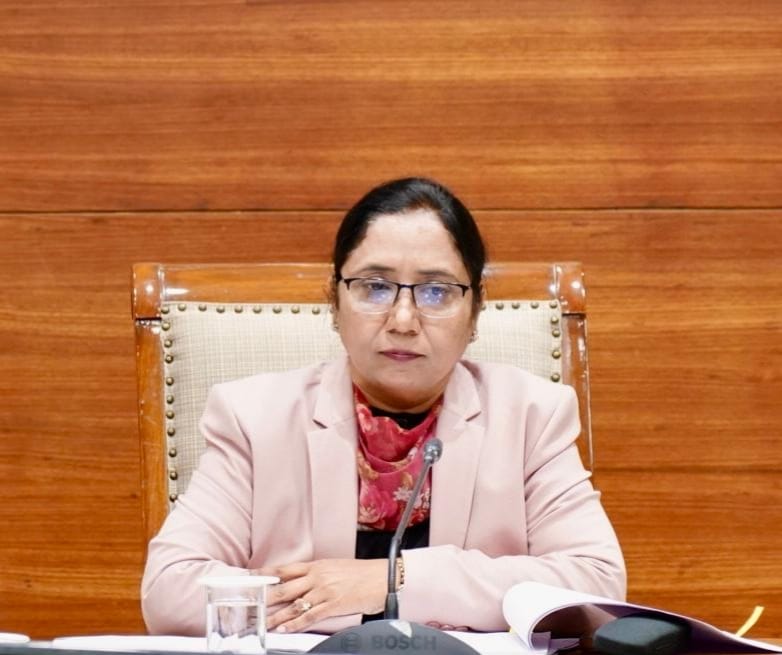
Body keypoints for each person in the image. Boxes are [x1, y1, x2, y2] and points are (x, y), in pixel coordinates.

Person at [141, 177, 626, 636]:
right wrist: (333, 601)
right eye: (375, 287)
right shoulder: (252, 418)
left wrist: (389, 581)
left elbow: (596, 586)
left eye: (436, 291)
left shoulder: (532, 417)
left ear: (475, 312)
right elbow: (169, 590)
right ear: (335, 303)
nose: (403, 320)